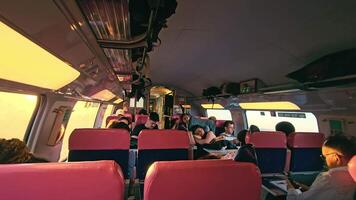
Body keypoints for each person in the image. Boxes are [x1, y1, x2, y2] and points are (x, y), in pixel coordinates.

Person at [286, 136, 356, 200]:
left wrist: (289, 186)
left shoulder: (328, 177)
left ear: (336, 158)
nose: (324, 160)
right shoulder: (353, 175)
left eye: (324, 157)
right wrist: (309, 189)